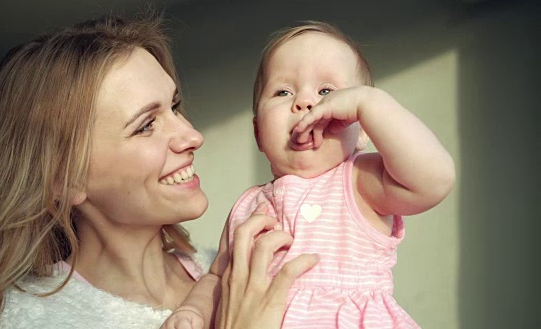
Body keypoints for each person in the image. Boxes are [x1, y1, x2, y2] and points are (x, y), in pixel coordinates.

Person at [0, 12, 319, 329]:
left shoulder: (239, 268)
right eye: (146, 125)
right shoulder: (22, 321)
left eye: (175, 107)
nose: (193, 136)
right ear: (64, 180)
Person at [163, 21, 456, 329]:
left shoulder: (358, 180)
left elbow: (434, 180)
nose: (304, 101)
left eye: (327, 91)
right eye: (283, 91)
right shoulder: (247, 207)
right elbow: (218, 277)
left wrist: (371, 102)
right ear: (258, 133)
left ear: (361, 130)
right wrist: (193, 311)